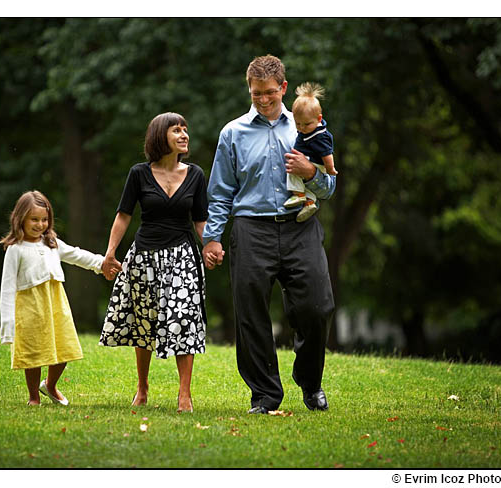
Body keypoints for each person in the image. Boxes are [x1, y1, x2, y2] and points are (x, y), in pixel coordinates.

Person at [202, 55, 336, 414]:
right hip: (251, 230)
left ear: (284, 88)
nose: (263, 100)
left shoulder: (306, 124)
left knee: (318, 305)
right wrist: (212, 237)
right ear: (249, 89)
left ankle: (310, 383)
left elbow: (329, 187)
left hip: (301, 227)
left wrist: (310, 173)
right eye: (256, 93)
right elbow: (220, 192)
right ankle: (264, 395)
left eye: (270, 94)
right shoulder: (232, 133)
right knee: (250, 314)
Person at [99, 112, 209, 413]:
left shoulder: (196, 175)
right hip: (144, 255)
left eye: (186, 129)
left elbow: (201, 220)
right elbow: (124, 215)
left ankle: (184, 394)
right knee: (144, 321)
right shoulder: (139, 173)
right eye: (177, 130)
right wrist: (110, 253)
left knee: (183, 317)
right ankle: (142, 387)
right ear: (161, 136)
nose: (184, 134)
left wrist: (211, 246)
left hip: (183, 255)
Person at [0, 190, 109, 406]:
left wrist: (101, 263)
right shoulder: (15, 250)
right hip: (30, 308)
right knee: (34, 352)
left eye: (44, 219)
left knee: (65, 347)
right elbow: (7, 287)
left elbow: (77, 255)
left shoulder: (51, 243)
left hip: (56, 303)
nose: (40, 224)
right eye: (34, 219)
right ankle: (33, 396)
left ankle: (49, 384)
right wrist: (7, 324)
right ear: (20, 218)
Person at [284, 82, 338, 222]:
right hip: (311, 162)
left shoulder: (319, 136)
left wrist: (330, 168)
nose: (301, 128)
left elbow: (327, 153)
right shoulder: (309, 129)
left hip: (316, 164)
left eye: (306, 124)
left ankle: (298, 194)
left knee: (292, 168)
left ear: (319, 118)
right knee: (297, 170)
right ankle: (309, 203)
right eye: (298, 124)